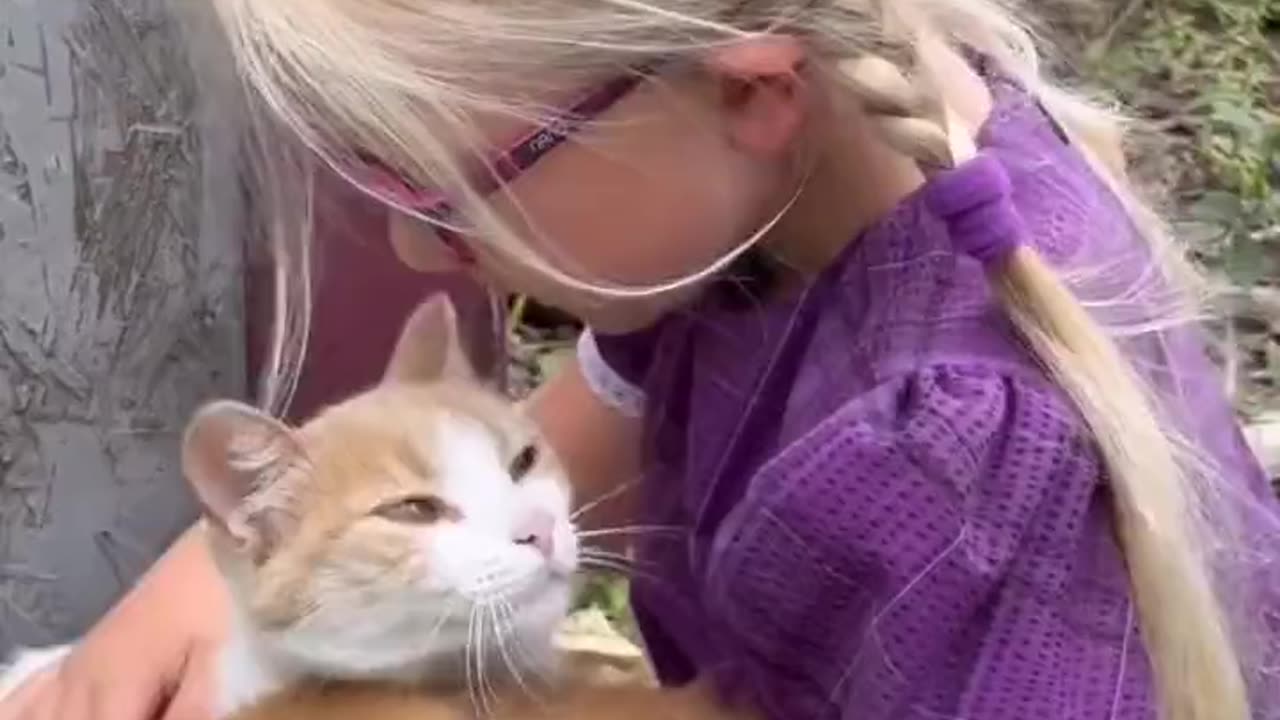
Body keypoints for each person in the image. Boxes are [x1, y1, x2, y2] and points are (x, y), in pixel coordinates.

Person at [4, 0, 1278, 718]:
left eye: (456, 189)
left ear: (748, 91)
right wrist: (248, 554)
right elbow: (598, 410)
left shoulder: (950, 472)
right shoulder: (793, 198)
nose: (412, 239)